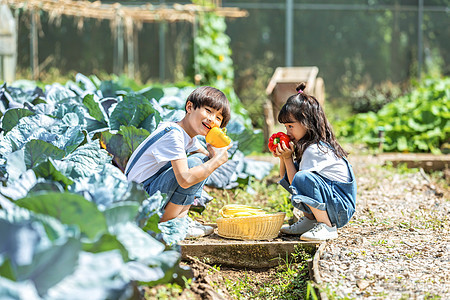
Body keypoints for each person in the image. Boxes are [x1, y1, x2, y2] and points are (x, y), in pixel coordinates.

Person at [125, 86, 232, 238]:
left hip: (145, 193)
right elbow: (185, 179)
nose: (212, 120)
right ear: (190, 107)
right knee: (196, 164)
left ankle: (180, 219)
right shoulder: (173, 134)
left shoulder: (187, 136)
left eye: (218, 118)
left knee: (202, 161)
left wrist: (216, 148)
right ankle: (172, 223)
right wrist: (216, 160)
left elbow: (207, 155)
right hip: (139, 200)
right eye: (208, 111)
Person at [270, 82, 356, 241]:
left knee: (302, 178)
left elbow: (297, 180)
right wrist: (284, 158)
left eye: (290, 126)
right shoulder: (309, 146)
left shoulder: (314, 149)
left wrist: (288, 158)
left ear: (307, 123)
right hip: (335, 203)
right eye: (285, 127)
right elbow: (288, 180)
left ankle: (327, 227)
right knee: (298, 178)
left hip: (340, 209)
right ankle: (311, 221)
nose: (287, 132)